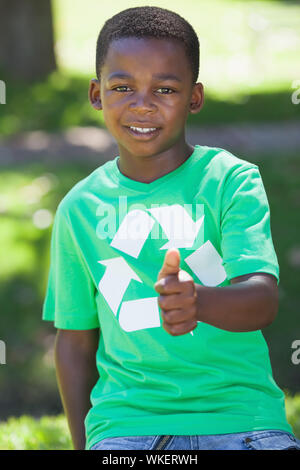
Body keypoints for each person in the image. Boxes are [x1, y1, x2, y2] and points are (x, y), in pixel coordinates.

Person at [42, 6, 300, 451]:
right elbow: (75, 340)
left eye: (165, 89)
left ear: (194, 98)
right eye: (122, 87)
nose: (142, 104)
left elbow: (262, 300)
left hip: (243, 419)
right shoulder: (79, 209)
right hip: (126, 426)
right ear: (96, 93)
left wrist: (197, 301)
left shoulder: (231, 180)